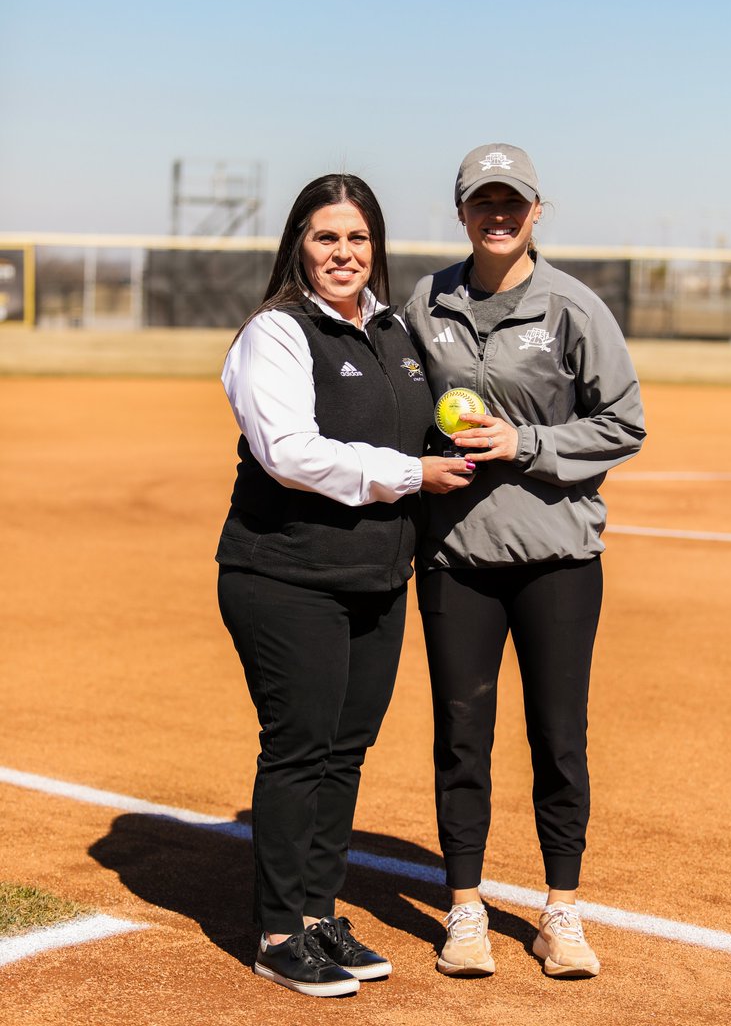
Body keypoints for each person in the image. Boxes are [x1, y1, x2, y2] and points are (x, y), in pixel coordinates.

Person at [216, 173, 472, 999]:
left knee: (346, 751)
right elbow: (287, 452)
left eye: (358, 239)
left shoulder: (394, 332)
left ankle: (320, 912)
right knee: (299, 749)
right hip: (285, 575)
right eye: (327, 238)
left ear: (376, 249)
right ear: (299, 243)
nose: (344, 253)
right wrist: (410, 473)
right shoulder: (277, 333)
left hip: (373, 578)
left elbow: (421, 425)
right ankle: (279, 929)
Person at [405, 144, 646, 980]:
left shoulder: (574, 308)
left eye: (513, 202)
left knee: (559, 738)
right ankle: (464, 911)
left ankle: (561, 913)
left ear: (537, 211)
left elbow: (623, 423)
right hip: (456, 557)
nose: (498, 215)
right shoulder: (425, 299)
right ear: (462, 210)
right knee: (461, 738)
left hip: (557, 559)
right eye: (483, 202)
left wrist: (527, 441)